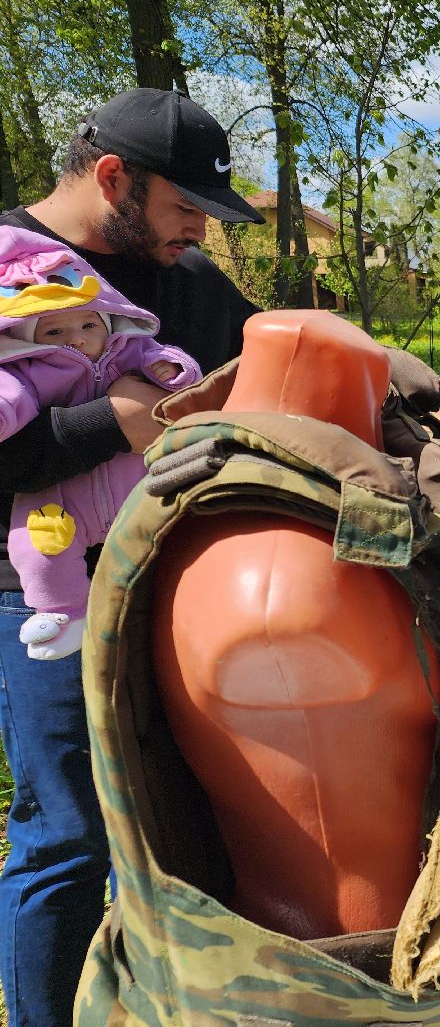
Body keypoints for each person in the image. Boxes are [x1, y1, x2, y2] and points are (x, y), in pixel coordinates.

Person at [0, 88, 262, 1027]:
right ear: (113, 177)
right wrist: (109, 425)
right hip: (44, 596)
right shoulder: (12, 266)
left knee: (171, 816)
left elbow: (262, 352)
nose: (199, 229)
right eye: (185, 206)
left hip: (171, 578)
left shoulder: (185, 275)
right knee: (67, 836)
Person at [0, 227, 202, 661]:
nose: (77, 338)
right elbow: (10, 400)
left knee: (172, 538)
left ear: (108, 320)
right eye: (54, 332)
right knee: (38, 544)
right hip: (61, 500)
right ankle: (63, 613)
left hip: (139, 486)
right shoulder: (26, 371)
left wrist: (174, 370)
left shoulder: (125, 348)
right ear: (25, 339)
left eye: (88, 324)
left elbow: (167, 358)